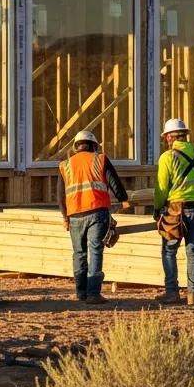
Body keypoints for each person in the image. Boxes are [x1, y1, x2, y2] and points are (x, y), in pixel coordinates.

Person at [57, 129, 132, 305]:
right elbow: (114, 183)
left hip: (74, 215)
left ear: (76, 147)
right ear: (93, 145)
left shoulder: (65, 165)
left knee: (79, 253)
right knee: (95, 250)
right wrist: (124, 200)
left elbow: (60, 195)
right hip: (97, 212)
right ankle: (93, 294)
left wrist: (64, 216)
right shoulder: (100, 159)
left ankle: (81, 292)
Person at [155, 118, 194, 306]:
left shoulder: (167, 157)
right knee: (193, 251)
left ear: (169, 137)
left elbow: (162, 188)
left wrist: (157, 209)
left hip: (176, 210)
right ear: (185, 135)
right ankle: (192, 295)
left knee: (169, 250)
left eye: (166, 138)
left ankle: (172, 293)